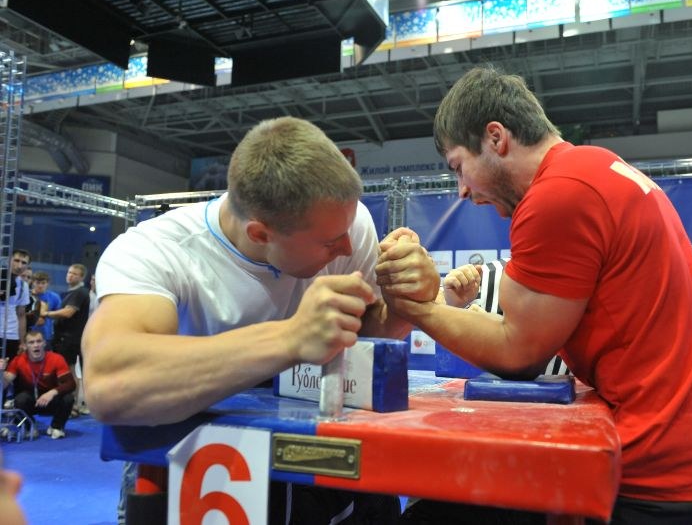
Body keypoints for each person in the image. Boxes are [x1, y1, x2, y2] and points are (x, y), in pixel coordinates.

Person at [376, 66, 692, 524]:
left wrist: (417, 305)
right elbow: (526, 336)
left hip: (650, 476)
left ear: (496, 138)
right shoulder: (595, 167)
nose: (463, 190)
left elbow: (519, 354)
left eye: (458, 167)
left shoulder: (559, 194)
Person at [82, 117, 438, 524]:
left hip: (311, 452)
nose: (347, 245)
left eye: (346, 230)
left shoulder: (347, 226)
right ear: (260, 233)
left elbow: (366, 333)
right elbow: (109, 384)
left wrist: (406, 304)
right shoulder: (158, 251)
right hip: (186, 457)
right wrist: (290, 339)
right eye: (328, 242)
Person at [439, 260, 569, 376]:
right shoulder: (483, 277)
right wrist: (453, 308)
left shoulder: (585, 284)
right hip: (487, 399)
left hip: (570, 396)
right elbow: (430, 305)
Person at [1, 330, 76, 439]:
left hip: (50, 400)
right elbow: (4, 384)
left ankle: (56, 427)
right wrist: (1, 372)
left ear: (44, 343)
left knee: (68, 398)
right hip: (29, 401)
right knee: (20, 399)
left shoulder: (56, 359)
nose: (36, 345)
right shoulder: (18, 361)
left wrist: (52, 393)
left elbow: (71, 384)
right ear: (25, 346)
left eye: (39, 341)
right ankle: (28, 426)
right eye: (31, 342)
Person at [41, 264, 90, 417]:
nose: (70, 275)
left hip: (69, 339)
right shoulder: (70, 293)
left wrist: (45, 313)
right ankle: (69, 403)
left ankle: (72, 405)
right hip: (63, 338)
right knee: (67, 371)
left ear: (82, 277)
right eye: (69, 272)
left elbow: (68, 313)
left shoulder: (80, 292)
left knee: (68, 371)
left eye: (75, 274)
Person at [0, 250, 31, 360]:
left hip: (12, 335)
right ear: (9, 260)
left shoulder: (24, 286)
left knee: (9, 373)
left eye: (24, 262)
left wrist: (22, 342)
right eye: (16, 260)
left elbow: (21, 315)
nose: (19, 265)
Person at [29, 272, 61, 345]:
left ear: (48, 284)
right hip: (28, 334)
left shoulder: (54, 297)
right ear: (33, 282)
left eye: (43, 283)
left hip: (46, 335)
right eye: (37, 283)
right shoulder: (27, 295)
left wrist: (46, 316)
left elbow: (59, 316)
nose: (40, 286)